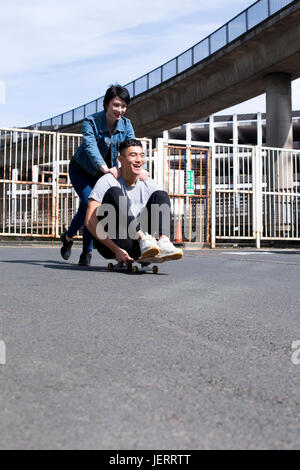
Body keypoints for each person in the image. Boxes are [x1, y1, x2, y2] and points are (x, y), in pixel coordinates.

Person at [60, 84, 147, 266]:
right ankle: (87, 252)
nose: (120, 110)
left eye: (123, 106)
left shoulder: (126, 124)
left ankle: (68, 237)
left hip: (104, 175)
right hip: (82, 171)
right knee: (90, 205)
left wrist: (137, 167)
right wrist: (105, 168)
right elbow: (91, 147)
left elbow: (130, 146)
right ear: (106, 104)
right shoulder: (90, 121)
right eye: (116, 105)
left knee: (87, 209)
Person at [85, 139, 183, 264]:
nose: (139, 160)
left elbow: (161, 206)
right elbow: (89, 220)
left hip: (141, 246)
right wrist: (116, 249)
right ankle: (142, 239)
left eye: (141, 155)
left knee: (161, 194)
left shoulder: (147, 182)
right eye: (133, 155)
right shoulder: (108, 180)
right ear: (120, 159)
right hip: (114, 242)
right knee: (114, 192)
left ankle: (162, 242)